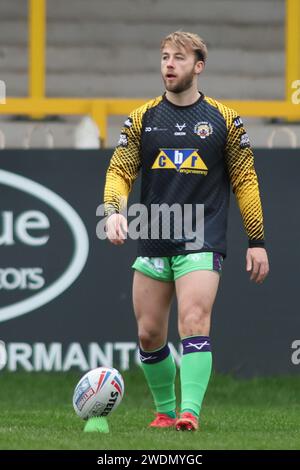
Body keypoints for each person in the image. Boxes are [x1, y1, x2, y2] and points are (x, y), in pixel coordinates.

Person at [103, 31, 269, 431]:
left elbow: (245, 181)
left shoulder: (225, 121)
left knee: (194, 319)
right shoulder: (143, 118)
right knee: (148, 334)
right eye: (164, 57)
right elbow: (120, 169)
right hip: (155, 236)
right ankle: (164, 411)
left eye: (178, 58)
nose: (169, 64)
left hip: (202, 236)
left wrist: (257, 241)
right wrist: (112, 210)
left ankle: (189, 412)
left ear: (199, 65)